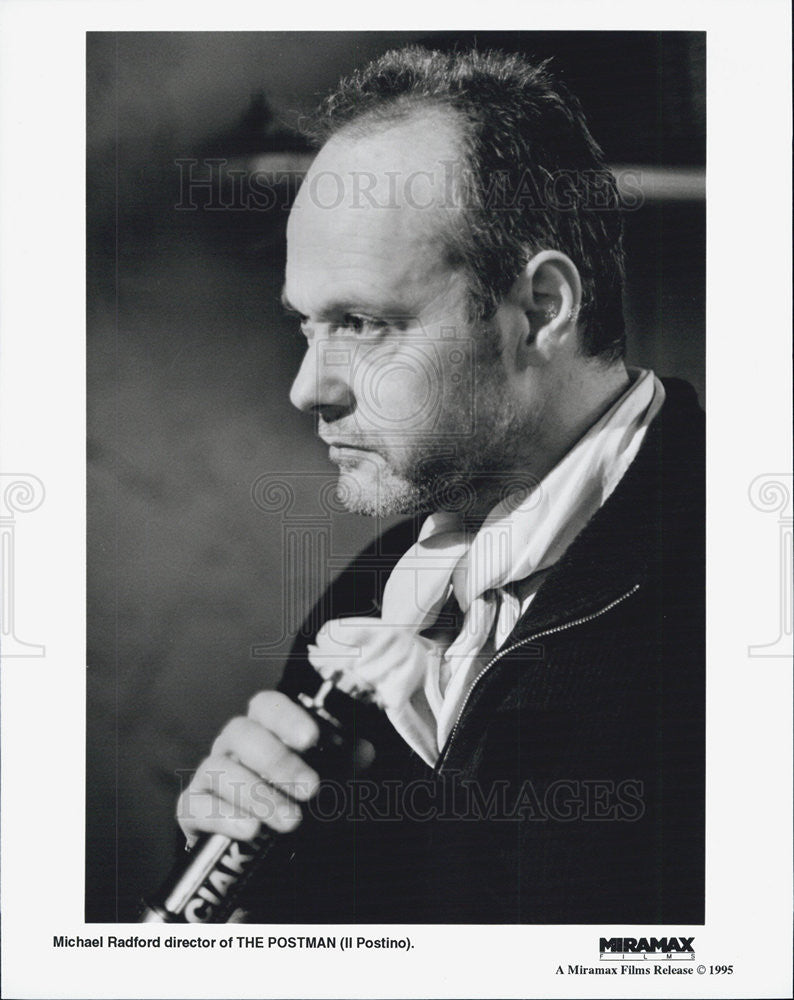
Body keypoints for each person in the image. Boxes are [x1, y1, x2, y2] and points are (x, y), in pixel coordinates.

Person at [178, 46, 704, 923]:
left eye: (361, 323)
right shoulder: (370, 596)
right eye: (307, 326)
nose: (308, 387)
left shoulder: (739, 583)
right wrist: (247, 894)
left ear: (541, 308)